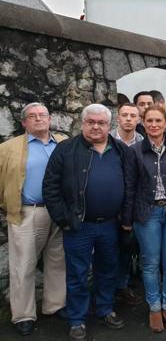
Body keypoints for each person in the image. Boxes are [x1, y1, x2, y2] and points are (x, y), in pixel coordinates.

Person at [43, 104, 128, 341]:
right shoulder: (66, 149)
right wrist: (64, 220)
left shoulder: (120, 150)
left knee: (107, 270)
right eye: (91, 121)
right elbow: (51, 187)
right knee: (78, 273)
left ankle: (104, 309)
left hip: (111, 225)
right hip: (79, 225)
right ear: (82, 123)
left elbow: (130, 184)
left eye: (101, 123)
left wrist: (126, 219)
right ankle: (77, 319)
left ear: (109, 125)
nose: (95, 126)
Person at [122, 105, 166, 333]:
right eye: (149, 121)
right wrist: (128, 217)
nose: (153, 125)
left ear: (165, 124)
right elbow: (130, 186)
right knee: (150, 263)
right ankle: (154, 306)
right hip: (147, 213)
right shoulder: (135, 151)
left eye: (158, 121)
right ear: (144, 122)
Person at [0, 103, 66, 336]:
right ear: (23, 122)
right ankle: (23, 315)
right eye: (32, 116)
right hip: (28, 212)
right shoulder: (7, 148)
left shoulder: (62, 143)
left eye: (42, 115)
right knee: (23, 265)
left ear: (50, 119)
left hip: (59, 212)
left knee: (58, 260)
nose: (38, 119)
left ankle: (55, 305)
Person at [110, 102, 144, 307]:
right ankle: (105, 290)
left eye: (133, 115)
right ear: (118, 117)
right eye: (125, 115)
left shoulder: (143, 141)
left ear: (139, 119)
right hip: (109, 202)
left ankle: (121, 286)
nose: (129, 119)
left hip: (132, 204)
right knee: (106, 250)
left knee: (126, 248)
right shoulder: (108, 140)